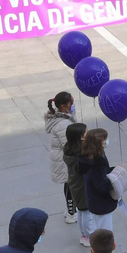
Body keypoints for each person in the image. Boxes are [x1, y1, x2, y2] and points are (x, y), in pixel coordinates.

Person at [43, 93, 77, 223]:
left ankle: (69, 209)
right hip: (65, 160)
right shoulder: (63, 124)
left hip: (62, 158)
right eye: (71, 104)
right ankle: (71, 213)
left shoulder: (63, 118)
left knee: (69, 184)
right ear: (63, 106)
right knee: (71, 185)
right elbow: (68, 143)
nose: (72, 106)